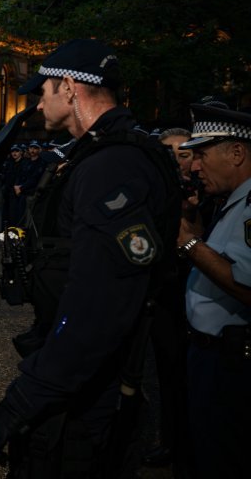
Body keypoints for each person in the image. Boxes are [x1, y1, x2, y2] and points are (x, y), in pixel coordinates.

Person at [0, 39, 180, 477]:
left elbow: (98, 307)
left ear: (69, 87)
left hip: (87, 390)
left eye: (43, 89)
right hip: (78, 372)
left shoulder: (113, 166)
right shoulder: (98, 156)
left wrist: (23, 401)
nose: (37, 101)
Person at [175, 103, 251, 479]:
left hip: (232, 365)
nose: (194, 166)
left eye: (202, 154)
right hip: (211, 355)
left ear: (236, 153)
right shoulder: (230, 201)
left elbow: (247, 285)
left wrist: (189, 244)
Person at [141, 128, 196, 474]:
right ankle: (171, 441)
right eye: (169, 153)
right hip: (166, 298)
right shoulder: (155, 193)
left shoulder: (215, 193)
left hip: (203, 303)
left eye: (185, 153)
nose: (177, 161)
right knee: (168, 377)